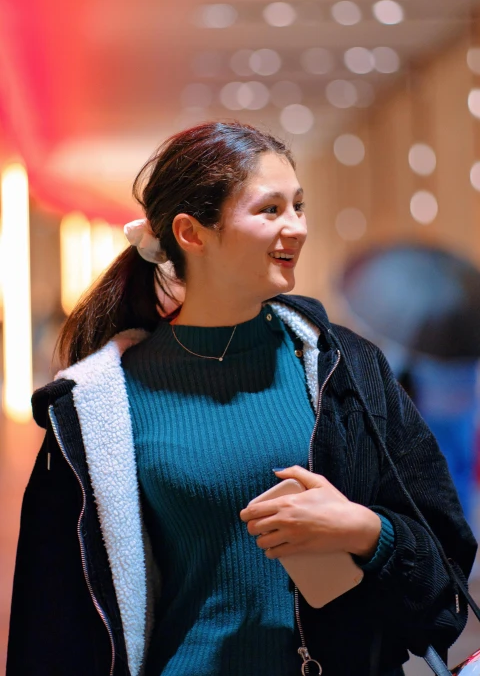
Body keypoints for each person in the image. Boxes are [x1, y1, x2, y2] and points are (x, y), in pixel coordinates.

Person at [7, 120, 477, 676]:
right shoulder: (94, 409)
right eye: (270, 210)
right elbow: (52, 623)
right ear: (191, 233)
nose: (297, 228)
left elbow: (445, 568)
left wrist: (365, 531)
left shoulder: (344, 368)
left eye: (299, 206)